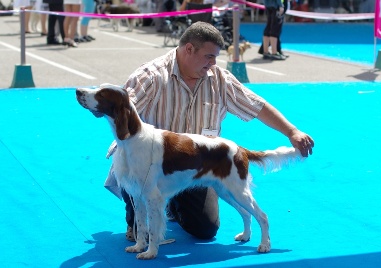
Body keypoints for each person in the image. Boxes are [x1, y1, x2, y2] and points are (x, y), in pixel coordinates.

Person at [106, 21, 314, 241]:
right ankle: (137, 219)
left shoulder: (220, 79)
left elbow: (257, 106)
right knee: (140, 221)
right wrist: (122, 151)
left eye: (216, 57)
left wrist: (292, 131)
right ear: (189, 49)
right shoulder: (151, 76)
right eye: (209, 56)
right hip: (149, 166)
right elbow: (122, 112)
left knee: (205, 229)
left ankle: (173, 206)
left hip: (197, 167)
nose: (214, 63)